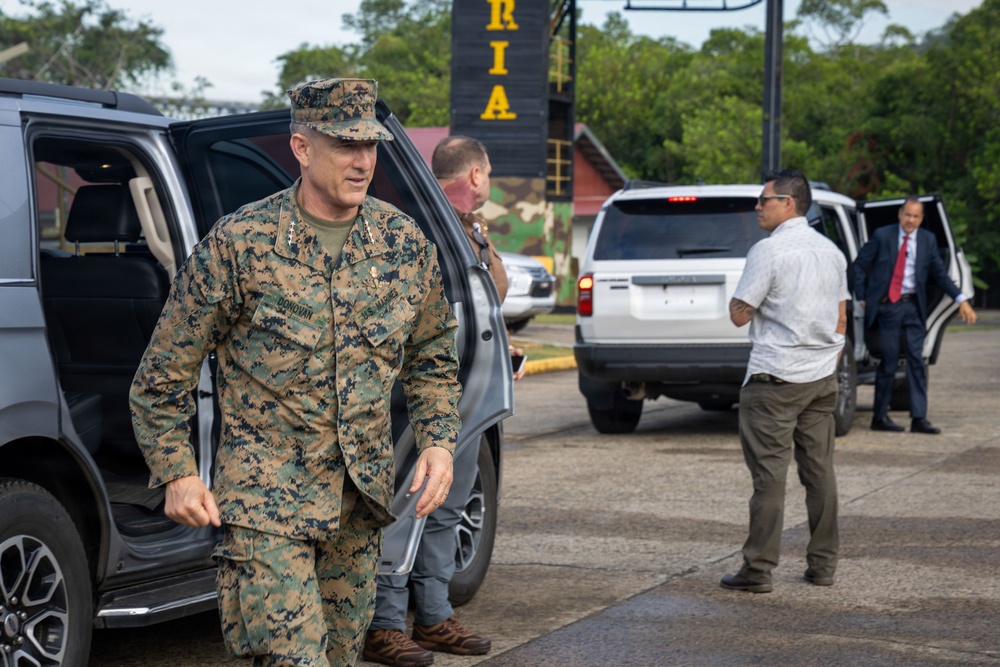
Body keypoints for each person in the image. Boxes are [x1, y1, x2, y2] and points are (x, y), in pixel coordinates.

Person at [129, 78, 462, 667]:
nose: (363, 162)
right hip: (264, 502)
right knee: (294, 659)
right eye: (344, 146)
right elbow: (163, 374)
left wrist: (439, 440)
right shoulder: (240, 244)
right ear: (302, 149)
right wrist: (177, 472)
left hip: (359, 504)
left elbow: (433, 354)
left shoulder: (404, 245)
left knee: (336, 657)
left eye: (371, 146)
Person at [363, 135, 504, 667]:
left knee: (445, 506)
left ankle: (434, 615)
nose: (488, 182)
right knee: (402, 505)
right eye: (487, 174)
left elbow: (496, 295)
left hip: (462, 390)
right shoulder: (407, 221)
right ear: (475, 175)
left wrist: (478, 240)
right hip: (410, 392)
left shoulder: (465, 230)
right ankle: (383, 625)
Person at [721, 169, 848, 594]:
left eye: (764, 199)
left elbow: (740, 314)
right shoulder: (831, 251)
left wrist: (750, 302)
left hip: (774, 377)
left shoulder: (769, 251)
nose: (758, 206)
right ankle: (823, 566)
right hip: (821, 376)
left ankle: (758, 571)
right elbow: (842, 317)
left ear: (788, 203)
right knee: (820, 473)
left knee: (769, 477)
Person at [853, 196, 977, 435]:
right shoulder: (882, 235)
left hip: (912, 308)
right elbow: (859, 265)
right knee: (888, 362)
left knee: (917, 363)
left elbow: (940, 275)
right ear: (900, 214)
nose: (910, 220)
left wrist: (962, 299)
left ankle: (919, 418)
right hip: (887, 307)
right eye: (907, 215)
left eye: (916, 216)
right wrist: (861, 295)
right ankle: (879, 417)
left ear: (921, 219)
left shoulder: (928, 241)